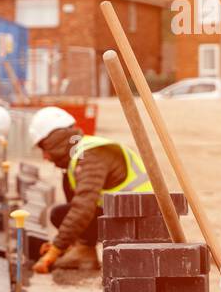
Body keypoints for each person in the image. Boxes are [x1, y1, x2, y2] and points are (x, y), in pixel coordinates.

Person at [27, 106, 152, 274]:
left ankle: (85, 251)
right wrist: (67, 244)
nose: (45, 157)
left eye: (44, 148)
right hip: (127, 215)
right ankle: (83, 250)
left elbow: (83, 208)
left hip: (139, 223)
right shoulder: (80, 155)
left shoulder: (90, 156)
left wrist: (54, 251)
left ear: (54, 140)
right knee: (61, 213)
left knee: (65, 213)